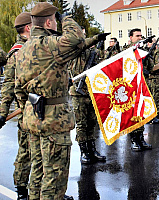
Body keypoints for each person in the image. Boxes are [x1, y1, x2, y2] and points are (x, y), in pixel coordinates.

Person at [15, 2, 108, 199]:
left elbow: (19, 88)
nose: (58, 25)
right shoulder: (49, 45)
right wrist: (66, 17)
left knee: (38, 174)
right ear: (49, 22)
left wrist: (27, 110)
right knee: (54, 179)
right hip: (53, 121)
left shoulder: (23, 49)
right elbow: (76, 38)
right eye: (55, 21)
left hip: (33, 117)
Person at [0, 12, 32, 200]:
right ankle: (21, 191)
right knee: (26, 152)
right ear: (28, 27)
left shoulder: (34, 46)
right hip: (26, 111)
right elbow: (8, 86)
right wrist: (3, 113)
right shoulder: (18, 51)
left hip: (40, 110)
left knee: (41, 153)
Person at [68, 27, 106, 164]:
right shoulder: (73, 49)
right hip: (78, 93)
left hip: (91, 91)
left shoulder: (93, 52)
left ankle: (92, 149)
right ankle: (83, 151)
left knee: (92, 122)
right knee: (82, 123)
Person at [123, 28, 152, 151]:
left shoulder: (143, 50)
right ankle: (133, 139)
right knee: (131, 114)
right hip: (130, 86)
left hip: (142, 85)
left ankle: (140, 137)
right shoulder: (124, 50)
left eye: (141, 36)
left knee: (141, 112)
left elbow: (150, 67)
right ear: (130, 37)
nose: (140, 38)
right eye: (137, 36)